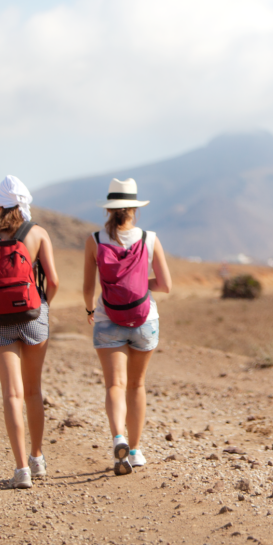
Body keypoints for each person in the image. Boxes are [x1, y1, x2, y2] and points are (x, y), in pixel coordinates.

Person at [0, 176, 59, 490]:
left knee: (11, 394)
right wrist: (42, 306)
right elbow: (54, 282)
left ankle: (21, 471)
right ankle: (38, 458)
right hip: (33, 316)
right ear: (24, 204)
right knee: (33, 391)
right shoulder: (37, 234)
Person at [84, 178, 171, 475]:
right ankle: (134, 451)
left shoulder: (95, 240)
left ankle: (117, 437)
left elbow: (87, 288)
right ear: (135, 208)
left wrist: (89, 308)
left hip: (108, 318)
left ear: (109, 209)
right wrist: (137, 285)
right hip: (145, 319)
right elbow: (165, 285)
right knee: (137, 385)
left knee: (114, 385)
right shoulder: (150, 238)